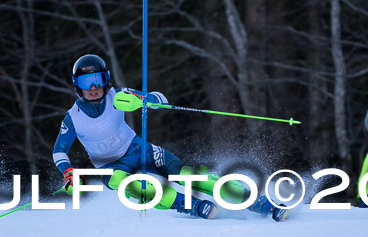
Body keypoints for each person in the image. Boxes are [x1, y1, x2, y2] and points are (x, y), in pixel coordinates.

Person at [52, 54, 286, 221]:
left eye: (98, 81)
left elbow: (161, 99)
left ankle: (258, 201)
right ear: (77, 86)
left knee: (188, 175)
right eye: (85, 83)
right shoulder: (73, 118)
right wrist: (67, 172)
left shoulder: (119, 96)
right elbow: (59, 150)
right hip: (109, 167)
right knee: (132, 185)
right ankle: (193, 206)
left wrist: (144, 100)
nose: (93, 88)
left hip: (137, 149)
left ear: (106, 80)